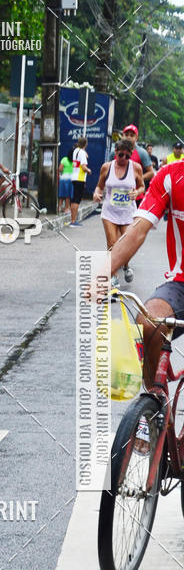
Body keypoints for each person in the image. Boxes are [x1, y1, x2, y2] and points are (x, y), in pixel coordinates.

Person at [106, 155, 184, 393]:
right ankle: (156, 406)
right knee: (148, 323)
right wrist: (102, 273)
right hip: (181, 282)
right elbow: (137, 231)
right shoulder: (170, 176)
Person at [93, 138, 144, 286]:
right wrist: (96, 194)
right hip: (109, 212)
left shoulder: (136, 168)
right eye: (121, 155)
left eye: (128, 156)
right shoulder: (106, 167)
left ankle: (126, 265)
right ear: (115, 152)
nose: (124, 159)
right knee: (112, 243)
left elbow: (142, 187)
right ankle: (113, 275)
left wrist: (137, 193)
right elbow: (99, 187)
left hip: (127, 213)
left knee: (126, 246)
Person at [120, 124, 154, 197]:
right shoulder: (115, 152)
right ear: (122, 136)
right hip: (117, 195)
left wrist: (137, 178)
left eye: (132, 135)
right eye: (126, 135)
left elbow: (151, 173)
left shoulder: (142, 153)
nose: (128, 137)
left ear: (136, 138)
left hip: (136, 196)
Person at [70, 136, 90, 226]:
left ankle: (72, 219)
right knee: (77, 200)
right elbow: (83, 166)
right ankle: (74, 221)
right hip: (80, 178)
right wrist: (89, 171)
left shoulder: (76, 151)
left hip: (74, 177)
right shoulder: (82, 152)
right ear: (86, 144)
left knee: (74, 199)